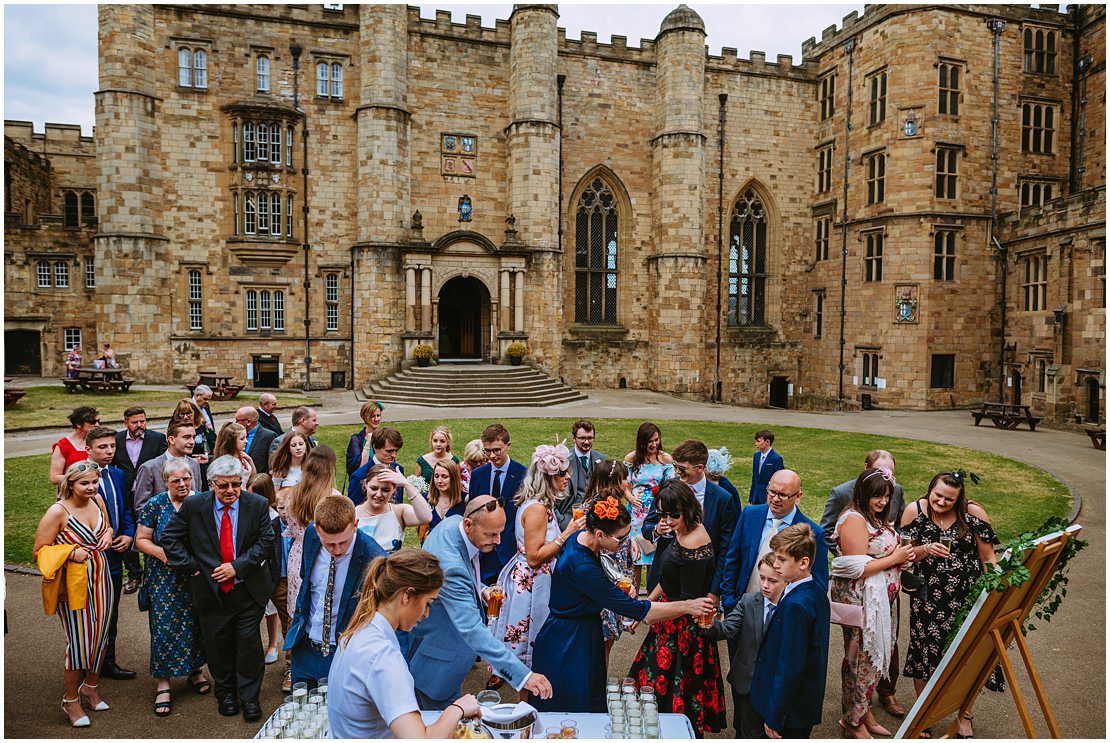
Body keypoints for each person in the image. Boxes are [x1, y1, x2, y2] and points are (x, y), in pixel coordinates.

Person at [530, 489, 714, 714]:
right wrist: (688, 605)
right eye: (621, 538)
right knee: (573, 707)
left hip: (577, 629)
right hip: (569, 641)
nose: (626, 543)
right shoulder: (583, 568)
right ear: (599, 534)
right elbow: (638, 610)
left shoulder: (581, 537)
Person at [407, 496, 554, 709]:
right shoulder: (451, 566)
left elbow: (457, 581)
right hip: (437, 660)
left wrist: (481, 589)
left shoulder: (451, 524)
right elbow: (472, 629)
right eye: (491, 534)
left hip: (433, 643)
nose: (498, 541)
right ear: (468, 525)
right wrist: (524, 677)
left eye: (500, 532)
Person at [160, 455, 277, 723]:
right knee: (218, 646)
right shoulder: (194, 505)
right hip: (211, 593)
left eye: (236, 485)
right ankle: (225, 694)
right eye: (223, 486)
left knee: (248, 647)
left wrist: (238, 566)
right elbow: (169, 538)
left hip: (248, 590)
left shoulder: (256, 504)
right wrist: (193, 566)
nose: (230, 491)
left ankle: (249, 698)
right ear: (211, 484)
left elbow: (266, 541)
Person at [329, 549, 482, 738]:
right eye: (428, 603)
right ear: (407, 595)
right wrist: (457, 708)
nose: (426, 614)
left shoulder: (360, 629)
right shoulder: (382, 656)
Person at [901, 471, 1001, 739]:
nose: (942, 502)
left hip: (966, 599)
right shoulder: (915, 510)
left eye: (949, 499)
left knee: (965, 657)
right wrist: (926, 549)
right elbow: (903, 555)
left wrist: (994, 596)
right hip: (927, 599)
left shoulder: (973, 514)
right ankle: (923, 714)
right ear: (930, 488)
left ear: (959, 498)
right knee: (923, 652)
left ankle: (964, 715)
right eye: (938, 495)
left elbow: (989, 558)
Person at [628, 479, 727, 735]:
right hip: (669, 616)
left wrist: (650, 615)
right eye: (662, 514)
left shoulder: (695, 541)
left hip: (683, 635)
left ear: (688, 509)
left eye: (674, 514)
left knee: (670, 700)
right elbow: (667, 580)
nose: (668, 520)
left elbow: (689, 602)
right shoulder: (681, 531)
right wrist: (647, 603)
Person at [820, 449, 909, 718]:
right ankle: (853, 719)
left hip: (881, 598)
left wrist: (905, 557)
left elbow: (885, 547)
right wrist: (894, 558)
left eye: (886, 496)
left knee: (872, 658)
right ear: (863, 493)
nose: (883, 501)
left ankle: (864, 711)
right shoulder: (854, 518)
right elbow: (855, 566)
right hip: (861, 600)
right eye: (877, 496)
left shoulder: (875, 515)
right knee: (859, 658)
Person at [490, 442, 583, 679]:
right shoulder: (537, 510)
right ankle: (530, 699)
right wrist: (566, 534)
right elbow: (533, 557)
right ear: (547, 477)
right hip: (532, 584)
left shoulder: (540, 504)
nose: (567, 477)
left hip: (536, 578)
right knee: (532, 643)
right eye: (562, 473)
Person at [34, 460, 115, 728]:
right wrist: (70, 552)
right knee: (79, 642)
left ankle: (90, 686)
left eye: (95, 482)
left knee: (101, 636)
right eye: (84, 483)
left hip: (102, 577)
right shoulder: (58, 511)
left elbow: (107, 527)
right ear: (70, 484)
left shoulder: (98, 501)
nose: (91, 487)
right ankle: (70, 700)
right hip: (74, 584)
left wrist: (108, 533)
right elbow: (39, 551)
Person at [284, 495, 387, 686]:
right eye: (329, 544)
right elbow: (305, 582)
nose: (337, 550)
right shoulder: (310, 535)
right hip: (305, 648)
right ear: (317, 529)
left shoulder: (375, 558)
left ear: (355, 525)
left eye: (344, 542)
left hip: (344, 654)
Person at [134, 458, 209, 717]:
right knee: (164, 626)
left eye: (186, 479)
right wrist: (162, 554)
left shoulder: (201, 500)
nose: (182, 484)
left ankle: (195, 671)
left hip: (194, 574)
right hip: (163, 577)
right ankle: (163, 681)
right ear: (165, 481)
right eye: (175, 480)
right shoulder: (155, 505)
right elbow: (141, 540)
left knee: (194, 623)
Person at [751, 523, 830, 739]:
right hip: (801, 705)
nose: (775, 565)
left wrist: (775, 717)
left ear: (804, 562)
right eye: (775, 557)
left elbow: (790, 665)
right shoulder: (815, 591)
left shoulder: (796, 605)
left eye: (782, 559)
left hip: (789, 713)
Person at [700, 552, 787, 739]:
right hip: (748, 682)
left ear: (787, 581)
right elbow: (726, 630)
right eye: (762, 578)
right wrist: (708, 622)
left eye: (772, 581)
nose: (764, 585)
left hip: (777, 687)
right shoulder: (749, 601)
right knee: (747, 733)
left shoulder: (792, 607)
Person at [720, 468, 829, 614]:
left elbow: (818, 584)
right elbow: (733, 558)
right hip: (741, 607)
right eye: (772, 492)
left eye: (783, 495)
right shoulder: (750, 514)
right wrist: (728, 600)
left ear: (798, 496)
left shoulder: (813, 534)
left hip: (781, 614)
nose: (775, 499)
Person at [642, 439, 738, 600]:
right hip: (664, 578)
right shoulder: (668, 488)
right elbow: (647, 526)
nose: (678, 472)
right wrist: (656, 530)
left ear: (700, 468)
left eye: (682, 468)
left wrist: (714, 591)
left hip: (699, 584)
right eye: (675, 467)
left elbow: (725, 549)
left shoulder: (722, 499)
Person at [84, 426, 137, 681]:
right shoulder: (79, 477)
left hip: (115, 554)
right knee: (89, 611)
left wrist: (128, 533)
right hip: (89, 556)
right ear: (88, 450)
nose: (109, 451)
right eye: (102, 447)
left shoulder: (117, 474)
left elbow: (126, 508)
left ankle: (108, 661)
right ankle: (85, 662)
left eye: (112, 446)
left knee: (111, 611)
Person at [584, 459, 640, 664]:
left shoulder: (616, 503)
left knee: (609, 639)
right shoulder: (595, 509)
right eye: (625, 477)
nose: (628, 481)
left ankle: (601, 681)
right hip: (606, 577)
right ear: (614, 481)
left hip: (619, 571)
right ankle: (599, 684)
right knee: (603, 640)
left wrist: (630, 539)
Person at [285, 445, 343, 618]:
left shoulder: (292, 495)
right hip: (324, 555)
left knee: (300, 611)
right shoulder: (334, 497)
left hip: (298, 554)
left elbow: (290, 524)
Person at [467, 423, 527, 583]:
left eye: (496, 450)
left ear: (508, 446)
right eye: (487, 451)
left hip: (510, 550)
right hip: (482, 552)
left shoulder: (522, 474)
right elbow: (471, 512)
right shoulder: (478, 475)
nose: (492, 456)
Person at [624, 422, 674, 590]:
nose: (653, 445)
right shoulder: (631, 458)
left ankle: (653, 595)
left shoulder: (665, 459)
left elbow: (671, 485)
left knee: (653, 556)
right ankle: (635, 595)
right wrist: (629, 496)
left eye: (656, 440)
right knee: (636, 557)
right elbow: (623, 483)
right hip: (636, 512)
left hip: (656, 510)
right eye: (650, 441)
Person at [248, 474, 284, 668]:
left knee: (270, 609)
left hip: (266, 570)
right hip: (248, 568)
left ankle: (272, 645)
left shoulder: (274, 518)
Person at [354, 464, 432, 553]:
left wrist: (406, 484)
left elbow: (426, 517)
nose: (379, 494)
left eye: (385, 490)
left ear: (394, 489)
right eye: (374, 488)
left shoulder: (399, 512)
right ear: (366, 484)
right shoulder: (353, 514)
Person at [133, 421, 203, 513]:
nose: (192, 442)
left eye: (194, 437)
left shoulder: (194, 464)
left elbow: (198, 497)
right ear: (171, 440)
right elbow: (141, 507)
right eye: (186, 437)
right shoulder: (150, 468)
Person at [563, 419, 606, 530]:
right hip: (569, 516)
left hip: (596, 516)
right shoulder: (564, 460)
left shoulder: (601, 459)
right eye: (582, 438)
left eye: (590, 438)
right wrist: (561, 521)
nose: (586, 442)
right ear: (573, 438)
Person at [347, 426, 406, 505]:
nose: (394, 455)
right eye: (389, 451)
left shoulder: (398, 470)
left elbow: (399, 503)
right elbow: (354, 509)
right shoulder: (359, 476)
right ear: (375, 447)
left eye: (396, 451)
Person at [419, 458, 466, 544]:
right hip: (430, 550)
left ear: (454, 478)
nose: (439, 481)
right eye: (436, 476)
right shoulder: (426, 499)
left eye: (444, 477)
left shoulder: (465, 500)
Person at [50, 406, 99, 486]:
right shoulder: (63, 445)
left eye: (98, 421)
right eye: (93, 422)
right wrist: (82, 478)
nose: (97, 424)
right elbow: (54, 478)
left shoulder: (98, 441)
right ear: (78, 424)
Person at [169, 397, 214, 477]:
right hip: (179, 467)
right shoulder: (173, 429)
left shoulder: (204, 428)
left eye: (189, 413)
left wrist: (209, 458)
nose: (185, 417)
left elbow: (216, 447)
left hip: (200, 467)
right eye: (182, 414)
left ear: (195, 413)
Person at [234, 407, 277, 476]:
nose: (235, 423)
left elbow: (273, 464)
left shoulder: (269, 436)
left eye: (237, 420)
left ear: (248, 422)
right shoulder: (235, 434)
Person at [345, 400, 384, 477]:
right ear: (365, 417)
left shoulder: (384, 437)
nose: (376, 419)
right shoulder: (356, 440)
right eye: (373, 416)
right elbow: (355, 467)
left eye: (378, 415)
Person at [748, 428, 784, 505]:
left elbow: (779, 481)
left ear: (767, 442)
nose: (755, 444)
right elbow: (754, 478)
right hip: (756, 496)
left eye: (758, 441)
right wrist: (751, 497)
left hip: (767, 496)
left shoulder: (776, 458)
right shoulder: (756, 456)